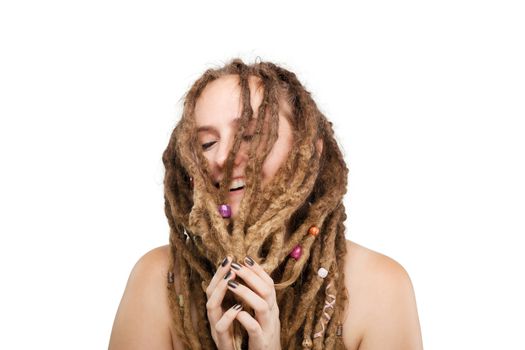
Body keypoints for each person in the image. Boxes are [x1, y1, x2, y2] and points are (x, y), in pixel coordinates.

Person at [108, 59, 423, 349]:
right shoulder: (158, 281)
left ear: (309, 153)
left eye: (249, 135)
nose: (222, 158)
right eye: (206, 143)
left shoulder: (381, 289)